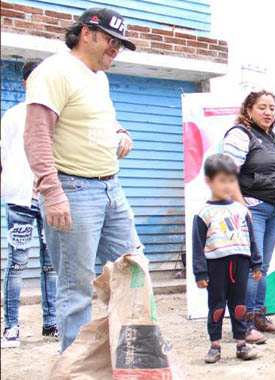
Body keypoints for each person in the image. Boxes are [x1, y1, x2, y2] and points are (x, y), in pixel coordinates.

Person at [23, 7, 139, 352]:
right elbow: (37, 136)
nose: (115, 49)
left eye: (120, 44)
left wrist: (120, 133)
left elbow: (101, 121)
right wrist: (52, 193)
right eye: (110, 40)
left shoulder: (98, 78)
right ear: (86, 33)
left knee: (132, 273)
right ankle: (75, 369)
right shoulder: (55, 71)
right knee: (76, 288)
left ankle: (131, 359)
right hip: (72, 189)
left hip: (110, 188)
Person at [222, 90, 275, 343]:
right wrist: (243, 209)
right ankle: (244, 324)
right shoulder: (241, 134)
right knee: (252, 269)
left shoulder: (274, 140)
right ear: (248, 110)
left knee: (262, 267)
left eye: (272, 108)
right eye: (262, 107)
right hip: (252, 208)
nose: (269, 112)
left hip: (274, 210)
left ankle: (259, 316)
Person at [1, 60, 58, 349]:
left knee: (51, 265)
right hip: (20, 198)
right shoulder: (12, 115)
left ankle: (51, 323)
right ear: (26, 83)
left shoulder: (56, 114)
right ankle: (11, 327)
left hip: (50, 198)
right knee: (17, 263)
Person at [192, 154, 263, 363]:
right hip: (216, 266)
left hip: (240, 264)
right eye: (222, 180)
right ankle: (215, 345)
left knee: (239, 305)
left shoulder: (241, 210)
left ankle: (241, 344)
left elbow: (251, 240)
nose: (227, 185)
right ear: (209, 181)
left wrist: (256, 263)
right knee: (217, 307)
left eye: (231, 180)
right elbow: (197, 246)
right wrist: (200, 272)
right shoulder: (204, 213)